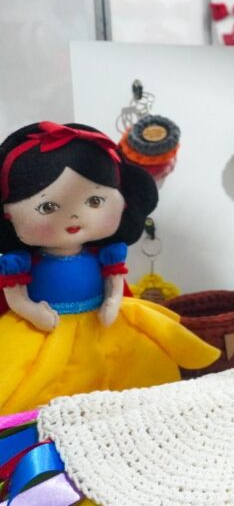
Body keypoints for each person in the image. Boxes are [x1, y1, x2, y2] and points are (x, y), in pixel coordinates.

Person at [0, 122, 220, 413]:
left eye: (94, 200)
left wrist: (114, 300)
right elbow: (15, 294)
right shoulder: (19, 262)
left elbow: (114, 281)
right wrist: (31, 311)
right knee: (33, 386)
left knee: (137, 370)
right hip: (46, 329)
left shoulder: (107, 253)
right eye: (47, 207)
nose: (75, 215)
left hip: (104, 322)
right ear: (9, 215)